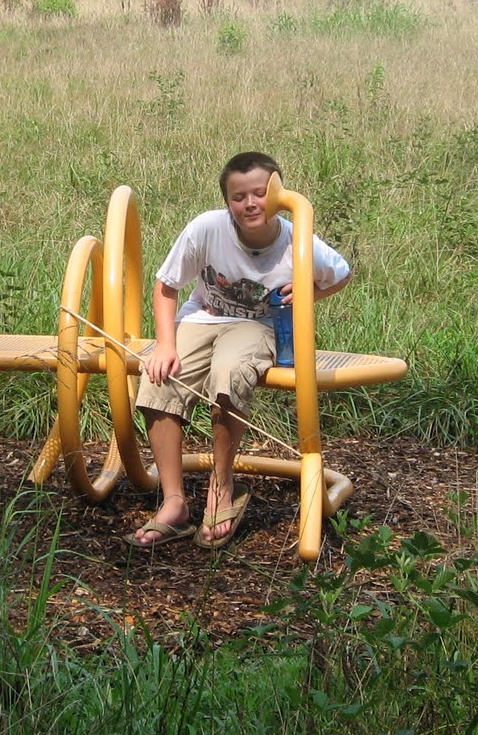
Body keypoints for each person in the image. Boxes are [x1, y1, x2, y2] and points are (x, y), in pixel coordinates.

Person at [126, 151, 353, 549]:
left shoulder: (297, 241)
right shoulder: (207, 229)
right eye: (238, 196)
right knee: (158, 375)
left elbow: (342, 273)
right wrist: (164, 344)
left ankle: (221, 487)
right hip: (202, 318)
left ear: (280, 193)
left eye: (261, 193)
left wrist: (308, 293)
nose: (250, 204)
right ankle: (175, 502)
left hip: (259, 326)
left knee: (230, 373)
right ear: (226, 201)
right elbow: (166, 285)